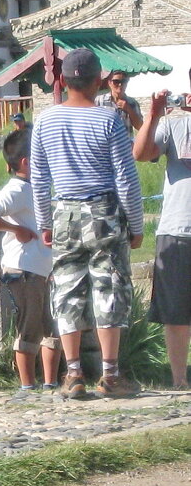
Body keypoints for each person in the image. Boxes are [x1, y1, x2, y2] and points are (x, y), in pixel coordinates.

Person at [31, 48, 144, 399]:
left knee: (67, 289)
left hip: (64, 211)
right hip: (104, 212)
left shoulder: (45, 121)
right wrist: (136, 224)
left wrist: (44, 222)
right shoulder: (108, 120)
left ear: (62, 80)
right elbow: (126, 178)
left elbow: (39, 178)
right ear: (98, 81)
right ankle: (110, 373)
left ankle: (74, 372)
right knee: (109, 287)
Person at [0, 128, 61, 390]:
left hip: (43, 266)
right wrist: (15, 230)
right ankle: (28, 384)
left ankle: (50, 381)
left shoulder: (36, 188)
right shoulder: (15, 190)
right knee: (29, 326)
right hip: (23, 267)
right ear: (26, 162)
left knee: (52, 327)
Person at [133, 78, 191, 389]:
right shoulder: (173, 124)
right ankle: (180, 380)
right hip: (177, 228)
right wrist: (154, 114)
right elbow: (141, 154)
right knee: (176, 311)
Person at [95, 70, 143, 135]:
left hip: (125, 143)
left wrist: (129, 109)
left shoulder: (133, 103)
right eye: (116, 81)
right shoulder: (98, 101)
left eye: (124, 81)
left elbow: (140, 127)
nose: (120, 84)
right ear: (109, 83)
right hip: (106, 142)